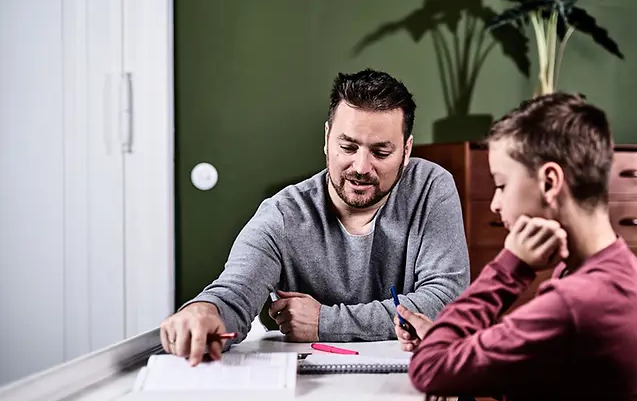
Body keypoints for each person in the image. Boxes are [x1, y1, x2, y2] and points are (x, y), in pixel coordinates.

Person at [393, 92, 637, 401]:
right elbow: (542, 374)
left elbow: (428, 368)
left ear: (549, 183)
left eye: (503, 185)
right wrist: (451, 344)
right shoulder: (607, 272)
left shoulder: (579, 300)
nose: (495, 203)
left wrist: (510, 269)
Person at [160, 68, 470, 365]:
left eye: (381, 153)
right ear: (327, 138)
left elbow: (446, 299)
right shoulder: (282, 215)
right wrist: (204, 311)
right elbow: (234, 292)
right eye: (347, 146)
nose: (361, 166)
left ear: (406, 150)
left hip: (424, 382)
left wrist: (325, 321)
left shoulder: (429, 187)